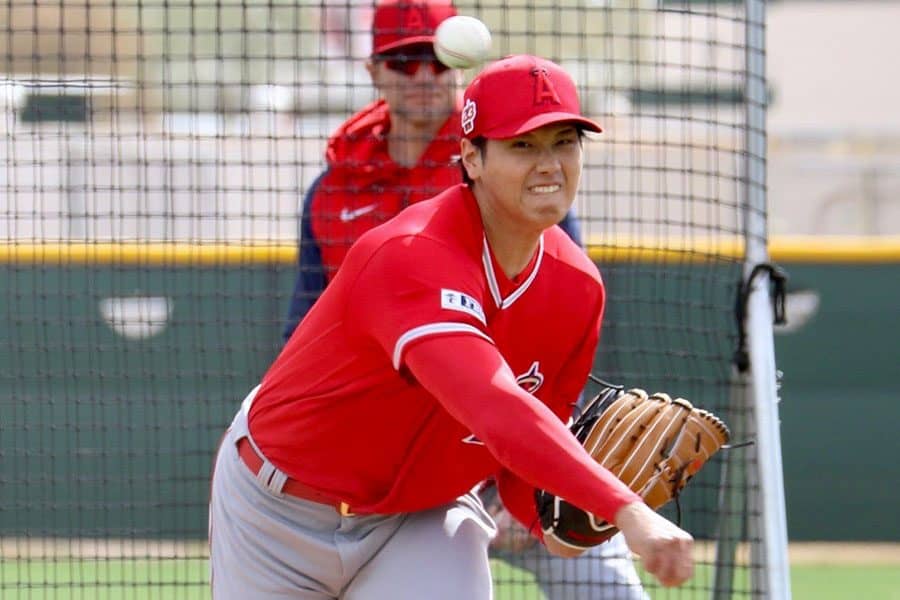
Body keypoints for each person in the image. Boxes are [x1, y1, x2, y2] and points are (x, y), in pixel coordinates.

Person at [209, 52, 694, 600]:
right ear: (471, 157)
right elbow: (493, 406)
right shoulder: (413, 254)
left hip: (422, 515)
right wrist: (626, 509)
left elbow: (524, 458)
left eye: (565, 141)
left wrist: (551, 526)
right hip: (280, 515)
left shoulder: (578, 287)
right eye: (522, 145)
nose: (550, 164)